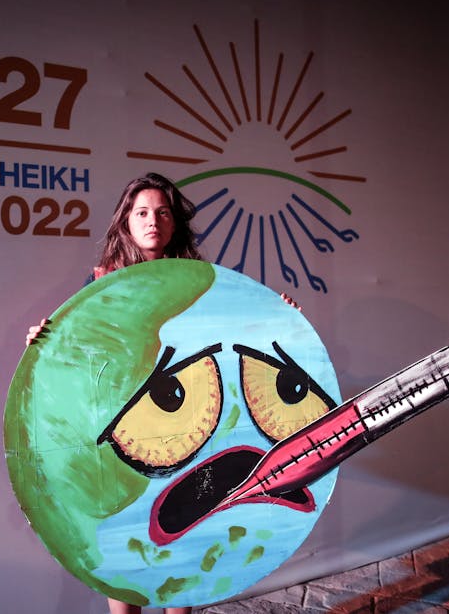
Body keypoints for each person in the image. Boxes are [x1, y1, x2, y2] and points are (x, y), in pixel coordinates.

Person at [25, 172, 296, 614]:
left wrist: (280, 320)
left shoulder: (199, 282)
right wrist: (45, 340)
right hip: (123, 432)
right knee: (121, 552)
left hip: (187, 432)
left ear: (175, 223)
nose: (153, 221)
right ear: (126, 223)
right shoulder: (102, 285)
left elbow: (232, 340)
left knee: (182, 548)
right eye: (142, 212)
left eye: (163, 212)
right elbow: (78, 350)